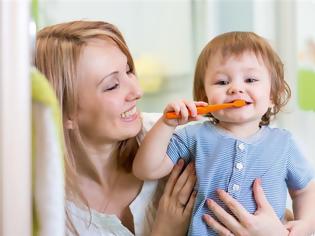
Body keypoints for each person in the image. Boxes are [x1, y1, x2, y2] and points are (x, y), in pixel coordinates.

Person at [133, 31, 315, 235]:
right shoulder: (193, 137)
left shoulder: (284, 144)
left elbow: (305, 190)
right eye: (222, 82)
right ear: (205, 96)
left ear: (272, 95)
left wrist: (306, 224)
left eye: (250, 79)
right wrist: (166, 124)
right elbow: (146, 170)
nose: (236, 89)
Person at [35, 20, 197, 236]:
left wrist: (258, 227)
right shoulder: (43, 211)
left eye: (129, 71)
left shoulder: (174, 139)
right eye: (112, 86)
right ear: (64, 113)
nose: (137, 91)